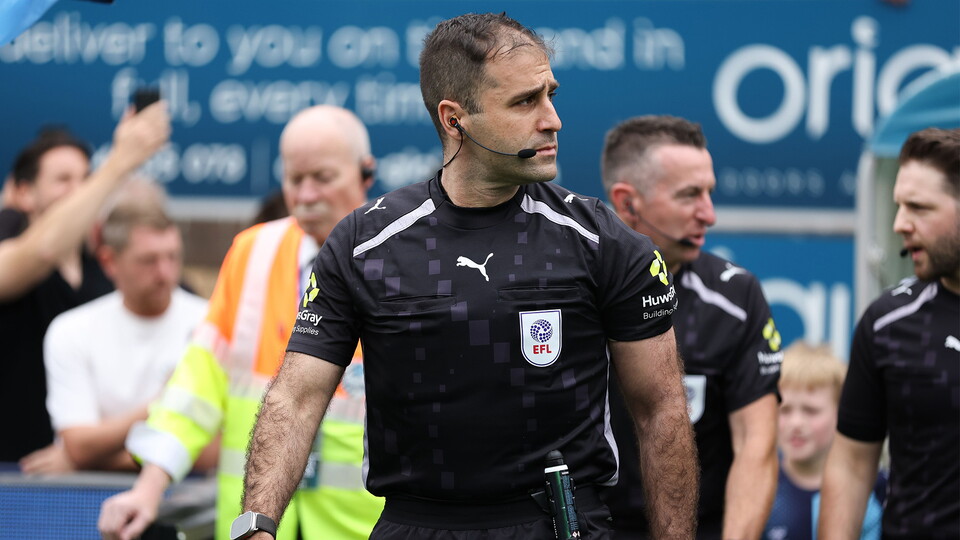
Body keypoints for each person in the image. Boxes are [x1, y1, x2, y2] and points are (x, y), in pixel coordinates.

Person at [238, 12, 697, 540]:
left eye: (550, 94)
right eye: (525, 102)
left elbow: (662, 410)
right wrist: (255, 527)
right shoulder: (364, 244)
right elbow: (296, 398)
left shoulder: (602, 241)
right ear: (455, 119)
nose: (552, 119)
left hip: (561, 524)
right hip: (415, 524)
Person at [98, 105, 383, 540]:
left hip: (362, 528)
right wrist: (148, 488)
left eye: (322, 178)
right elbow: (197, 385)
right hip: (255, 526)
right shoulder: (252, 252)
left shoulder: (401, 257)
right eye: (293, 178)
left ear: (366, 174)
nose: (305, 195)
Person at [600, 115, 780, 539]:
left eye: (710, 193)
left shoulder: (737, 299)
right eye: (689, 196)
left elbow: (757, 446)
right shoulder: (567, 290)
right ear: (628, 202)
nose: (709, 214)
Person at [0, 105, 170, 467]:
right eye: (63, 180)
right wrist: (119, 162)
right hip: (12, 472)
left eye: (86, 178)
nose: (81, 191)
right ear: (24, 192)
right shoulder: (11, 241)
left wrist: (83, 456)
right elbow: (41, 250)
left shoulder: (106, 270)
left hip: (92, 480)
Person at [819, 127, 959, 539]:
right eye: (898, 205)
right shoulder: (888, 322)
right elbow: (851, 464)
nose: (900, 224)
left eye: (918, 207)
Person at [42, 181, 208, 472]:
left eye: (172, 257)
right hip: (86, 505)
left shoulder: (209, 323)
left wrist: (94, 461)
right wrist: (166, 402)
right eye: (148, 260)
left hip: (186, 508)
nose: (165, 273)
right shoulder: (71, 330)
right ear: (109, 261)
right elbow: (80, 445)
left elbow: (211, 452)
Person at [763, 342, 884, 540]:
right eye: (785, 410)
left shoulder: (875, 488)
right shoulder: (758, 484)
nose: (796, 423)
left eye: (811, 411)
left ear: (843, 413)